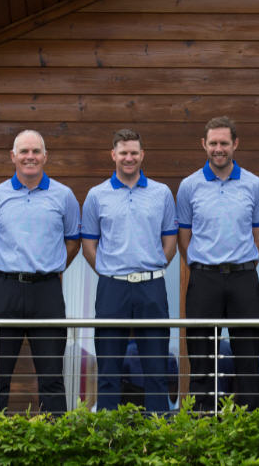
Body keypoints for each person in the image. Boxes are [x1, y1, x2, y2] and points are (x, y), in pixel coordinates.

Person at [0, 130, 81, 414]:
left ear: (45, 156)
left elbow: (73, 241)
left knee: (51, 377)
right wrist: (10, 266)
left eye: (36, 151)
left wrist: (53, 267)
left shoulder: (64, 196)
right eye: (24, 151)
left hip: (46, 291)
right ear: (13, 156)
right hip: (5, 291)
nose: (30, 157)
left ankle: (56, 440)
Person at [81, 129, 178, 412]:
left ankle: (158, 434)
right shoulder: (96, 195)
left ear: (142, 155)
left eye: (134, 152)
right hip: (113, 287)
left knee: (157, 367)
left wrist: (156, 264)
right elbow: (89, 244)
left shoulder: (161, 193)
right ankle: (108, 433)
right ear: (113, 155)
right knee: (109, 367)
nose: (129, 158)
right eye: (123, 152)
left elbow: (170, 239)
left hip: (152, 286)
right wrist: (107, 272)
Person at [176, 116, 259, 411]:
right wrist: (203, 265)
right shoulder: (189, 186)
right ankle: (202, 421)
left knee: (248, 356)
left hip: (243, 278)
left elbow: (258, 235)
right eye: (213, 143)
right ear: (204, 144)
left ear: (235, 144)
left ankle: (249, 421)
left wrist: (240, 262)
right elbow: (184, 237)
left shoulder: (255, 185)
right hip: (204, 279)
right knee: (201, 358)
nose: (218, 149)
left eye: (224, 143)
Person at [121, 340, 180, 410]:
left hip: (130, 410)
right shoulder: (169, 358)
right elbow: (172, 398)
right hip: (157, 412)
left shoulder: (126, 353)